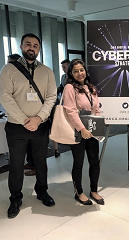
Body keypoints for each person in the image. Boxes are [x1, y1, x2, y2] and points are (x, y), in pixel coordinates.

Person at [0, 33, 57, 218]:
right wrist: (25, 120)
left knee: (41, 162)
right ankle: (15, 198)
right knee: (16, 164)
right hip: (17, 126)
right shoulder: (9, 69)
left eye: (35, 45)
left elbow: (51, 97)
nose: (31, 48)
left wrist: (39, 118)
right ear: (21, 46)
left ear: (39, 49)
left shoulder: (47, 71)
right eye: (28, 44)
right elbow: (4, 96)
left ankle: (42, 191)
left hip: (40, 126)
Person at [63, 59, 104, 205]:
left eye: (81, 70)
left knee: (94, 162)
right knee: (78, 163)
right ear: (71, 73)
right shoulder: (69, 88)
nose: (79, 73)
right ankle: (78, 192)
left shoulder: (90, 88)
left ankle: (94, 191)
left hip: (92, 131)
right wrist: (82, 129)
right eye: (75, 71)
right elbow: (71, 111)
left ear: (85, 71)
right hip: (78, 131)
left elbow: (96, 109)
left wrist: (96, 126)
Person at [7, 54, 36, 175]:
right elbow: (6, 97)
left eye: (10, 63)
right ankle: (15, 193)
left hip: (33, 120)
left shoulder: (33, 74)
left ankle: (34, 166)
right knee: (17, 158)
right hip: (17, 122)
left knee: (34, 149)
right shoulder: (9, 76)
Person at [51, 59, 70, 158]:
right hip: (63, 102)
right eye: (62, 67)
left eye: (64, 67)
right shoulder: (63, 77)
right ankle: (65, 138)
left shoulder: (74, 76)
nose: (63, 69)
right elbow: (61, 87)